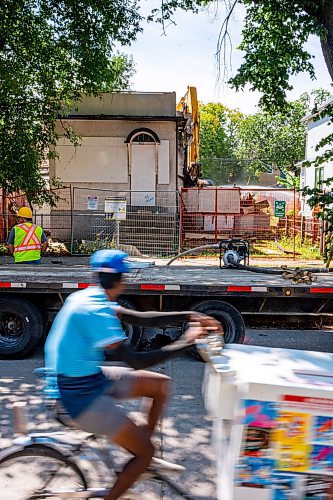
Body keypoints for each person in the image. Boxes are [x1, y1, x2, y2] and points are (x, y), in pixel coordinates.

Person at [44, 249, 223, 500]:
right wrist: (186, 341)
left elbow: (141, 319)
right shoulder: (96, 312)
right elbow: (137, 361)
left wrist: (190, 316)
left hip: (84, 379)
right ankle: (138, 464)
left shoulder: (89, 296)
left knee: (160, 385)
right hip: (79, 396)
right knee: (145, 451)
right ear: (119, 280)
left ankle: (142, 459)